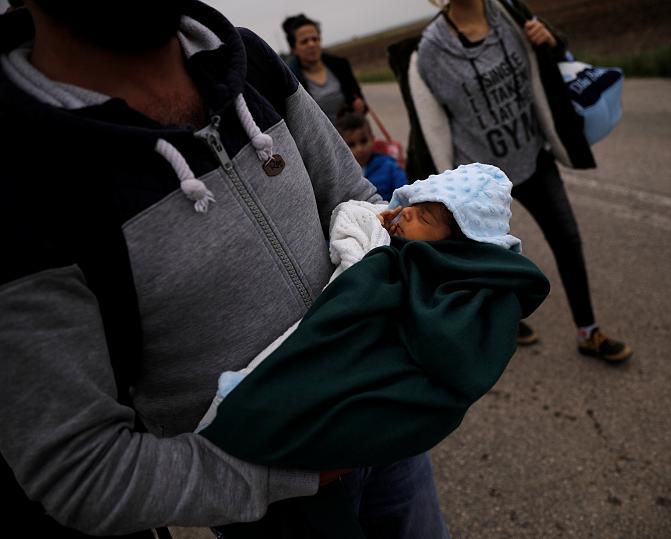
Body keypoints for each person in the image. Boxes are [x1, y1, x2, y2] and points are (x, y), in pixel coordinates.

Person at [0, 2, 448, 538]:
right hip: (275, 509)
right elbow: (78, 467)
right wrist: (276, 476)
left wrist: (424, 333)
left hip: (387, 417)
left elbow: (359, 204)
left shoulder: (248, 60)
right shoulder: (18, 174)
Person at [194, 164, 549, 537]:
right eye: (412, 205)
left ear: (459, 243)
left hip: (375, 419)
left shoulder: (440, 281)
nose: (406, 213)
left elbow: (446, 346)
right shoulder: (392, 243)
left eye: (424, 217)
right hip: (283, 450)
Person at [388, 0, 633, 361]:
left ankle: (588, 331)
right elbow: (430, 128)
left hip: (532, 157)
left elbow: (555, 58)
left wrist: (551, 42)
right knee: (487, 258)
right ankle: (504, 322)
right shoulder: (431, 51)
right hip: (478, 183)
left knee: (567, 240)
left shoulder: (510, 14)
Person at [282, 13, 366, 124]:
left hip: (352, 132)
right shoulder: (290, 81)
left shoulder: (341, 65)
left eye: (315, 39)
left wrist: (359, 104)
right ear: (294, 49)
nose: (311, 44)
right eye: (304, 41)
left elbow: (360, 101)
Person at [336, 111, 408, 201]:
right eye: (351, 145)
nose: (359, 149)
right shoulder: (340, 174)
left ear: (373, 138)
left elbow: (405, 195)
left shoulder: (390, 166)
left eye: (364, 141)